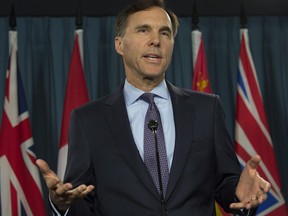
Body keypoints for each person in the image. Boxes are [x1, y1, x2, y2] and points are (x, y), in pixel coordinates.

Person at [36, 0, 271, 215]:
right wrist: (62, 204)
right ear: (119, 44)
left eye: (165, 33)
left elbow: (225, 184)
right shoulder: (88, 119)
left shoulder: (206, 109)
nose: (156, 40)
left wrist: (239, 193)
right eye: (143, 30)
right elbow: (82, 197)